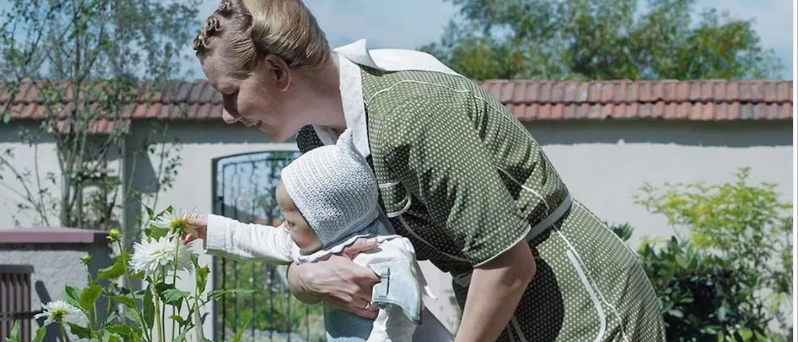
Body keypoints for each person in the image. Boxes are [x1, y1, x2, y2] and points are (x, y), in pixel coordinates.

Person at [190, 0, 667, 341]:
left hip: (578, 299)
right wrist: (305, 280)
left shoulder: (412, 112)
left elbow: (507, 263)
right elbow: (311, 246)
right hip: (497, 310)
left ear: (277, 71)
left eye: (231, 92)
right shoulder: (315, 140)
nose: (229, 113)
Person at [187, 129, 433, 342]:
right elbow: (260, 239)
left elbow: (397, 322)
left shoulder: (382, 254)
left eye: (291, 221)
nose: (284, 226)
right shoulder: (322, 241)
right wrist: (211, 229)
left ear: (325, 220)